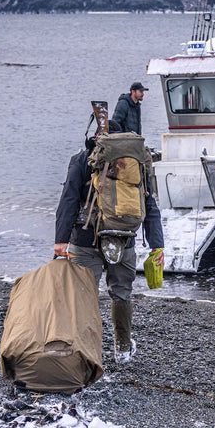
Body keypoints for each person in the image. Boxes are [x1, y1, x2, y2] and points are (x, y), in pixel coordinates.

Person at [54, 126, 164, 364]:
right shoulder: (135, 162)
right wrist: (157, 245)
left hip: (85, 240)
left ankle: (85, 352)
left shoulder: (84, 159)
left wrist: (60, 240)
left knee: (84, 295)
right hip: (124, 238)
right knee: (121, 293)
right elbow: (149, 203)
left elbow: (69, 199)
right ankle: (122, 349)